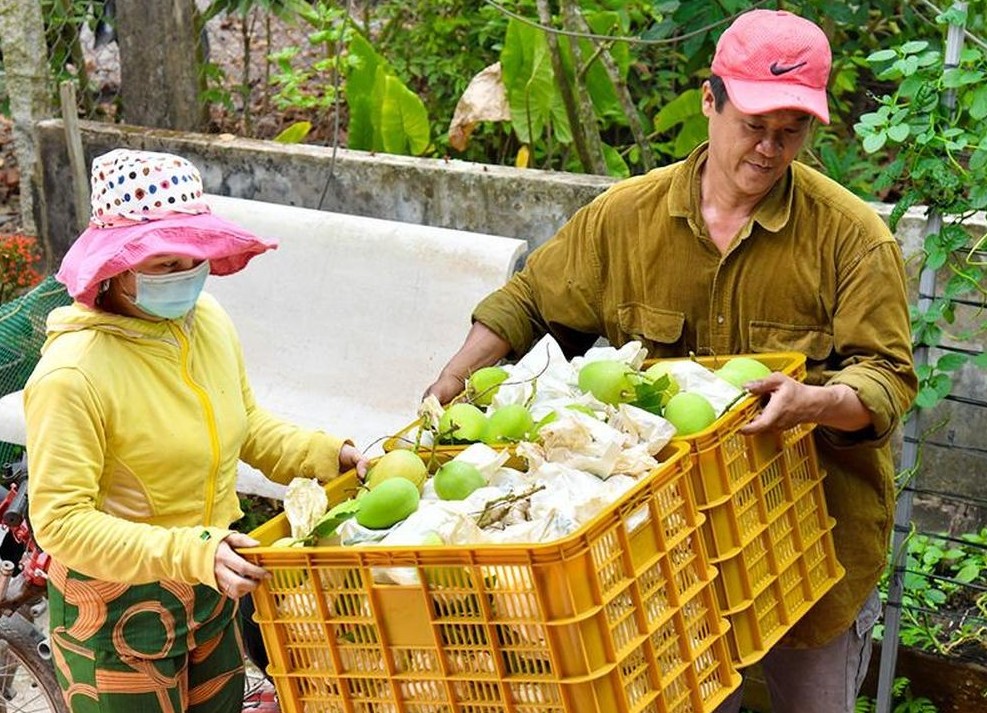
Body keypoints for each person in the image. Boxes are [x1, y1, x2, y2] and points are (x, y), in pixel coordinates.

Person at [427, 9, 916, 713]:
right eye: (753, 125)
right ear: (708, 101)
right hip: (665, 553)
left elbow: (885, 375)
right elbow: (531, 301)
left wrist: (812, 401)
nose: (770, 149)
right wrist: (454, 377)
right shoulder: (626, 218)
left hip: (811, 543)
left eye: (791, 131)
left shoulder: (850, 237)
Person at [25, 148, 368, 713]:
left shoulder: (205, 321)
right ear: (115, 269)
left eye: (194, 256)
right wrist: (193, 551)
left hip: (213, 584)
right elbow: (62, 523)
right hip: (117, 611)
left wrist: (330, 454)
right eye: (163, 264)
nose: (185, 275)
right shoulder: (72, 374)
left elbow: (247, 423)